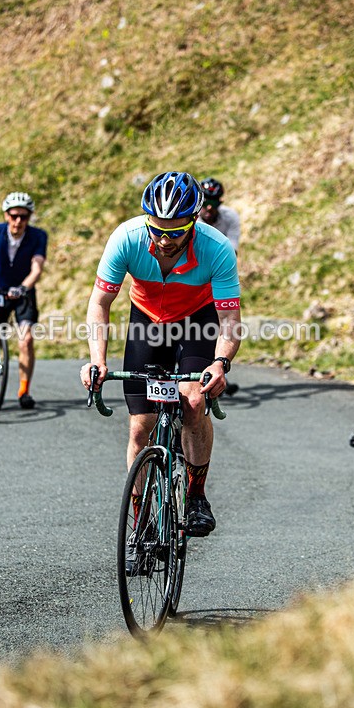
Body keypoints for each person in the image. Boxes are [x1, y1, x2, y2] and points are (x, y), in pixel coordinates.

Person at [80, 171, 241, 537]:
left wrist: (220, 363)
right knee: (140, 427)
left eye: (175, 231)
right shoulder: (127, 238)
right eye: (158, 228)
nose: (165, 240)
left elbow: (230, 318)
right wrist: (98, 359)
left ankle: (196, 496)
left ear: (194, 221)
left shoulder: (217, 249)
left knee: (194, 400)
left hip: (196, 322)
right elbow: (99, 303)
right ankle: (142, 523)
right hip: (148, 322)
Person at [0, 192, 48, 409]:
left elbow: (37, 267)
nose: (18, 221)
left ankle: (24, 391)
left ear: (29, 217)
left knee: (26, 340)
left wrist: (24, 287)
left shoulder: (38, 236)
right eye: (14, 216)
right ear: (6, 215)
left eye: (24, 217)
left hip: (23, 293)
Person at [199, 177, 241, 396]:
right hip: (193, 275)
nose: (208, 207)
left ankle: (216, 368)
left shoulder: (230, 217)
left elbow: (232, 253)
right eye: (206, 201)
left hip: (219, 273)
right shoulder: (192, 218)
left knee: (222, 321)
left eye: (214, 203)